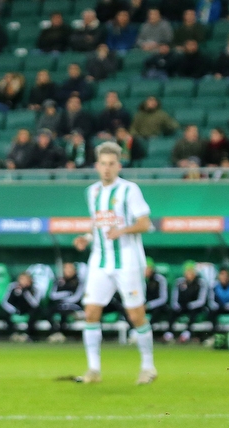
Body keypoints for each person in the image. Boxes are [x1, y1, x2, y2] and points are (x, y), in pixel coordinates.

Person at [73, 141, 156, 384]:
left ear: (119, 165)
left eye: (111, 164)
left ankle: (148, 366)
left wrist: (123, 231)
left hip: (127, 261)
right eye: (103, 164)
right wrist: (87, 238)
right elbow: (97, 224)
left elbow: (145, 223)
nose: (107, 169)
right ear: (97, 166)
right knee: (90, 312)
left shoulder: (130, 190)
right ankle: (94, 370)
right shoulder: (93, 192)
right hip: (99, 260)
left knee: (136, 314)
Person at [167, 261, 208, 343]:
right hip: (182, 306)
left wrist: (190, 305)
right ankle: (169, 333)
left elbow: (201, 300)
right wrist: (178, 306)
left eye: (191, 271)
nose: (189, 274)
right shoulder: (179, 282)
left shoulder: (201, 283)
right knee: (172, 311)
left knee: (194, 313)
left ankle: (187, 333)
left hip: (195, 307)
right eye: (187, 271)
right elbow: (174, 299)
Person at [47, 262, 84, 342]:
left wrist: (64, 300)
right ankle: (54, 333)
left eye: (70, 269)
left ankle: (62, 333)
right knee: (48, 311)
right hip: (60, 304)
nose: (67, 271)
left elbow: (76, 297)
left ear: (75, 270)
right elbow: (52, 295)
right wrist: (66, 294)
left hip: (74, 306)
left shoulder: (79, 282)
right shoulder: (59, 281)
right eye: (66, 269)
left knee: (64, 313)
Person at [0, 271, 42, 341]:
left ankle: (30, 335)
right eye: (20, 279)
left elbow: (35, 304)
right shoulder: (13, 286)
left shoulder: (35, 289)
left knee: (35, 313)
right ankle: (13, 334)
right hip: (16, 309)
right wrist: (14, 310)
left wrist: (25, 292)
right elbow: (4, 302)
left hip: (29, 309)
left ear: (29, 280)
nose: (21, 281)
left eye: (24, 279)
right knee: (5, 313)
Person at [143, 257, 170, 326]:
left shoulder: (160, 279)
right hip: (144, 305)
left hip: (158, 305)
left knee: (157, 309)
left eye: (148, 268)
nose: (146, 271)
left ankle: (148, 329)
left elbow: (163, 298)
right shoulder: (140, 280)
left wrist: (149, 305)